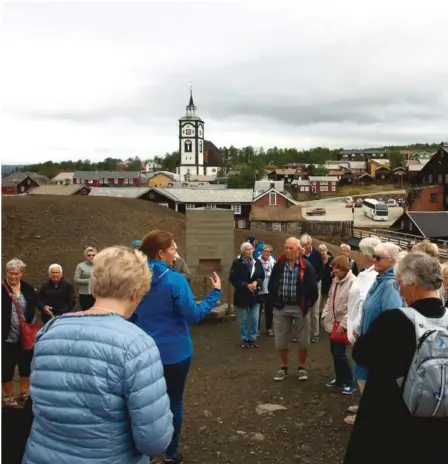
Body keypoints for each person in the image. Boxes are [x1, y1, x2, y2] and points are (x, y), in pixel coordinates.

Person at [23, 246, 174, 464]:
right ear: (135, 293)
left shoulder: (49, 331)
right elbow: (153, 441)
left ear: (94, 288)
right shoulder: (137, 344)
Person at [344, 252, 448, 464]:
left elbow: (361, 353)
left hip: (391, 421)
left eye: (399, 283)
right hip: (439, 421)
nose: (399, 289)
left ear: (412, 283)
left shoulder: (394, 321)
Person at [132, 230, 221, 464]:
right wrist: (215, 294)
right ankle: (171, 453)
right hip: (174, 353)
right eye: (172, 248)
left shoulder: (132, 279)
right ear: (161, 253)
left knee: (142, 403)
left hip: (140, 353)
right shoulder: (175, 280)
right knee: (174, 401)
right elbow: (193, 315)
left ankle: (146, 454)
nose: (175, 253)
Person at [353, 242, 404, 406]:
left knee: (372, 387)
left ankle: (369, 421)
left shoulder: (390, 285)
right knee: (365, 383)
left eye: (379, 257)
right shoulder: (380, 280)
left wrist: (372, 341)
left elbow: (391, 319)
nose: (374, 259)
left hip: (376, 348)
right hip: (369, 341)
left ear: (392, 261)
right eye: (374, 256)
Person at [268, 237, 319, 382]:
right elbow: (272, 285)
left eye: (291, 248)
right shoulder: (279, 265)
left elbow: (313, 290)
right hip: (282, 307)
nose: (288, 251)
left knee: (303, 340)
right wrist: (275, 302)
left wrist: (307, 304)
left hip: (300, 308)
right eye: (286, 248)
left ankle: (301, 367)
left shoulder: (306, 266)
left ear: (298, 250)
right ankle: (283, 367)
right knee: (281, 340)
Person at [344, 236, 381, 424]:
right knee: (361, 370)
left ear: (367, 254)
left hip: (362, 331)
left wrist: (357, 327)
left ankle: (366, 413)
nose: (358, 254)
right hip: (357, 329)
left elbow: (365, 304)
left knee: (364, 371)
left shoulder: (372, 275)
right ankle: (364, 404)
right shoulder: (366, 273)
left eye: (360, 251)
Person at [2, 259, 40, 407]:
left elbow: (35, 303)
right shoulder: (2, 288)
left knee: (26, 365)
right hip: (6, 337)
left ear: (22, 274)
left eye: (15, 274)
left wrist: (43, 310)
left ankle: (24, 392)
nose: (12, 277)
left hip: (25, 336)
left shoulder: (27, 288)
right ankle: (8, 395)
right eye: (9, 273)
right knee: (6, 367)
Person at [322, 256, 356, 394]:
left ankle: (350, 381)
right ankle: (340, 379)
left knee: (339, 354)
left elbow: (352, 306)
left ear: (344, 269)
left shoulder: (353, 282)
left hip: (342, 323)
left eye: (336, 268)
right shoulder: (335, 280)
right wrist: (325, 313)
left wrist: (344, 324)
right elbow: (330, 298)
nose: (333, 270)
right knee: (334, 352)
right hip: (332, 321)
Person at [229, 242, 265, 347]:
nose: (251, 251)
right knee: (243, 318)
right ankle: (245, 339)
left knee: (254, 318)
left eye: (251, 249)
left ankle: (252, 339)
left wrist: (256, 282)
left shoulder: (257, 262)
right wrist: (245, 285)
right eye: (248, 249)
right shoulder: (237, 263)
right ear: (243, 251)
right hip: (242, 294)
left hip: (255, 295)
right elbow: (233, 278)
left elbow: (261, 276)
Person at [300, 234, 324, 343]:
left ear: (310, 244)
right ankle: (304, 334)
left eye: (306, 245)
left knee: (314, 311)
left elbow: (321, 270)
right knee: (304, 310)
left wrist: (316, 278)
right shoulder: (300, 255)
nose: (304, 247)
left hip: (315, 285)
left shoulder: (317, 255)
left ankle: (315, 334)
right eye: (302, 245)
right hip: (303, 286)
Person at [258, 244, 275, 337]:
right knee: (258, 310)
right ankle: (256, 329)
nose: (267, 253)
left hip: (269, 289)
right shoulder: (257, 261)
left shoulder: (273, 262)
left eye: (269, 252)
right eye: (265, 251)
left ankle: (269, 328)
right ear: (262, 251)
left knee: (269, 310)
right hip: (260, 289)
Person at [319, 244, 334, 314]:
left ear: (326, 251)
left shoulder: (332, 261)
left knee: (327, 308)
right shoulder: (318, 261)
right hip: (320, 287)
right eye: (320, 251)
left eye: (323, 250)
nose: (322, 252)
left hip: (329, 287)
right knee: (319, 307)